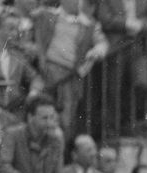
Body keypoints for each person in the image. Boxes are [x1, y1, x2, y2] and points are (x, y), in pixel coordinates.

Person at [32, 0, 108, 129]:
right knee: (40, 114)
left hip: (70, 76)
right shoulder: (47, 15)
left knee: (65, 119)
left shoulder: (89, 24)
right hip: (47, 70)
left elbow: (103, 43)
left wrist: (96, 51)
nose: (77, 2)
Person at [0, 94, 62, 173]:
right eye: (44, 118)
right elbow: (3, 166)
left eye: (52, 117)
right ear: (30, 117)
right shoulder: (12, 135)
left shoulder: (56, 140)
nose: (50, 123)